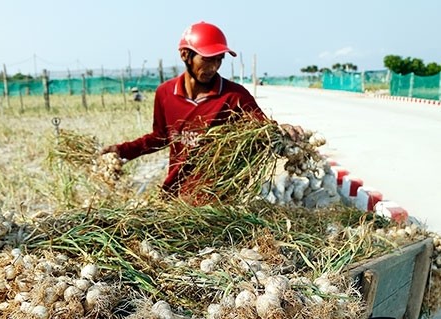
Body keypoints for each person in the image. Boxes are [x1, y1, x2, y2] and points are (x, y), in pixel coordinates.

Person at [102, 21, 303, 200]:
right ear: (185, 55)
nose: (214, 66)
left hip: (217, 200)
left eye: (219, 59)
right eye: (207, 59)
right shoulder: (165, 93)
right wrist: (122, 151)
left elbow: (263, 130)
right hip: (176, 193)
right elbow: (160, 137)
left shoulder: (234, 96)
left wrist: (281, 130)